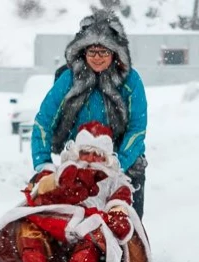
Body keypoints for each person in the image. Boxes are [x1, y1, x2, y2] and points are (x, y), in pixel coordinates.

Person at [0, 121, 149, 262]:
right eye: (85, 153)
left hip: (90, 232)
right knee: (28, 226)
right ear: (75, 153)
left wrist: (118, 215)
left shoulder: (115, 182)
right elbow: (38, 194)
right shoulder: (62, 174)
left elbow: (119, 204)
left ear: (106, 159)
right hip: (55, 234)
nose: (90, 159)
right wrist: (55, 183)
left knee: (94, 233)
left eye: (97, 155)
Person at [31, 8, 149, 219]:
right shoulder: (68, 79)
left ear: (115, 53)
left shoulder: (131, 81)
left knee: (122, 221)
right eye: (91, 51)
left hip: (123, 162)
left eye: (104, 51)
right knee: (69, 222)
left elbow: (137, 128)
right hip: (79, 159)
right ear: (82, 51)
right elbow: (43, 121)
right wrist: (43, 163)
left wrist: (118, 164)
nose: (97, 57)